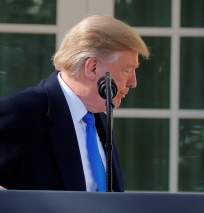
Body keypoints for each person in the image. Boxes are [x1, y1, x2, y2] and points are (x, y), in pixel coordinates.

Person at [0, 15, 149, 192]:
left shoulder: (98, 118)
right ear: (92, 67)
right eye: (127, 70)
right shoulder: (21, 113)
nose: (133, 82)